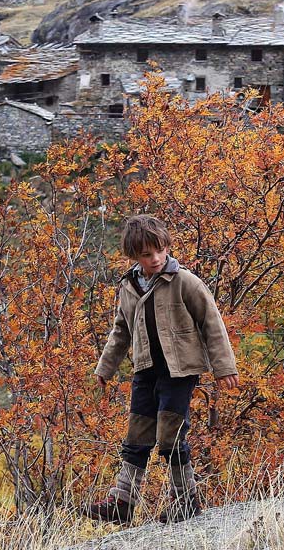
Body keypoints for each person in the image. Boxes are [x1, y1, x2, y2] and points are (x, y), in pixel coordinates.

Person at [81, 214, 240, 525]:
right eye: (146, 254)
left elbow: (212, 323)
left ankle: (186, 500)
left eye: (160, 251)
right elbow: (121, 330)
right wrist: (105, 367)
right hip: (145, 370)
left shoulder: (184, 281)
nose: (155, 259)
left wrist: (224, 367)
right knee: (136, 434)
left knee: (170, 435)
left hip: (179, 371)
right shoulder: (129, 286)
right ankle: (123, 501)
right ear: (133, 255)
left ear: (167, 247)